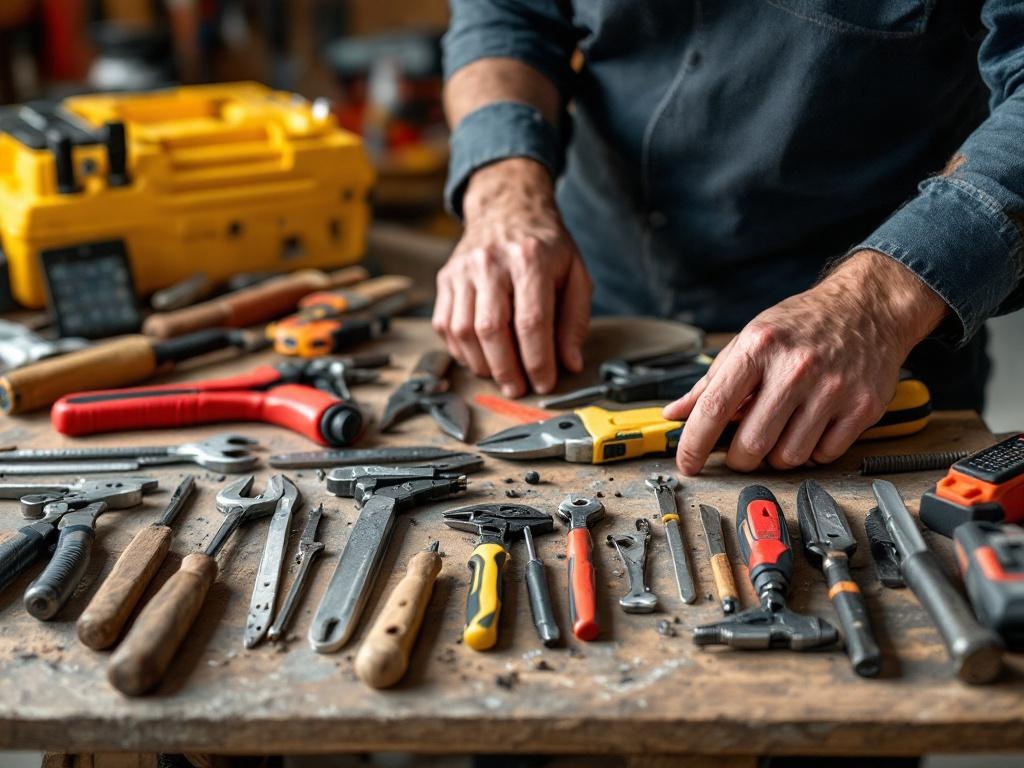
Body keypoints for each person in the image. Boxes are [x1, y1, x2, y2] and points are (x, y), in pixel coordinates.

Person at [431, 1, 1024, 475]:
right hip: (593, 301)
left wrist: (872, 308)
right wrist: (504, 195)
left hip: (871, 345)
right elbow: (509, 14)